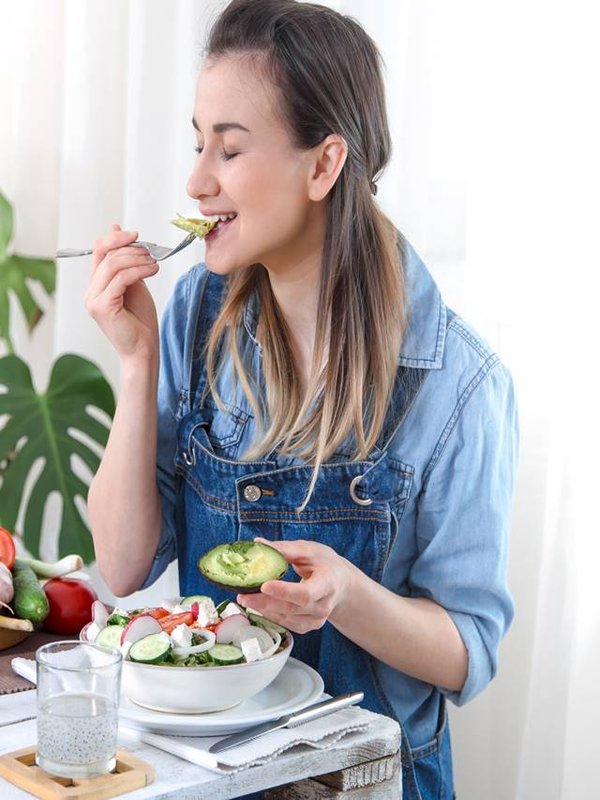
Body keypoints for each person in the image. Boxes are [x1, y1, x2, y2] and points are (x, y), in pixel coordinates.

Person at [85, 1, 518, 796]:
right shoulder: (193, 317)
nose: (196, 180)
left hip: (367, 782)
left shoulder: (459, 382)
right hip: (211, 777)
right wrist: (137, 361)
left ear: (322, 166)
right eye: (196, 141)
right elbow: (122, 561)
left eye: (230, 148)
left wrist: (347, 596)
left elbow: (468, 652)